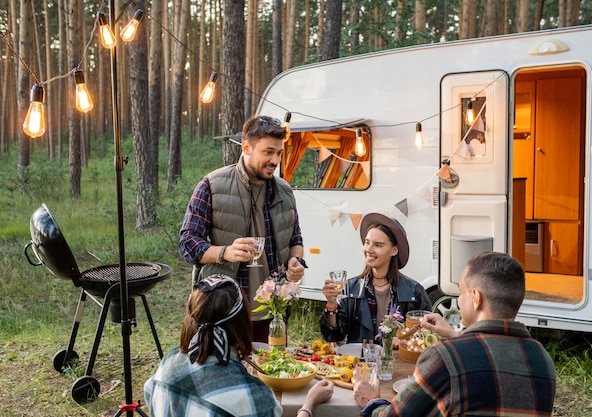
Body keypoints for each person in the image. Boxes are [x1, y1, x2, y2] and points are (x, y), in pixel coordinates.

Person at [352, 251, 557, 417]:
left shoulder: (445, 356)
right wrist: (453, 334)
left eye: (461, 292)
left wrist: (373, 401)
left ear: (476, 297)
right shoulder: (542, 359)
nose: (459, 301)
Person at [179, 115, 306, 341]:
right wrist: (224, 252)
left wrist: (296, 262)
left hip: (274, 312)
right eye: (268, 152)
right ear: (246, 147)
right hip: (222, 309)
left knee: (268, 375)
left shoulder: (285, 191)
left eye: (279, 153)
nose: (275, 160)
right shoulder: (212, 185)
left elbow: (295, 239)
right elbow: (188, 243)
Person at [144, 274, 333, 417]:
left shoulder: (168, 362)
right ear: (242, 323)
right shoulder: (255, 396)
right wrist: (308, 405)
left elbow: (149, 391)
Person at [320, 213, 431, 345]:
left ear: (394, 250)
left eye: (378, 245)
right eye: (367, 243)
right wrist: (331, 305)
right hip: (360, 363)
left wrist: (406, 340)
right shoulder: (350, 288)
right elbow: (334, 336)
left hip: (398, 364)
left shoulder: (414, 291)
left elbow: (428, 334)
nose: (369, 249)